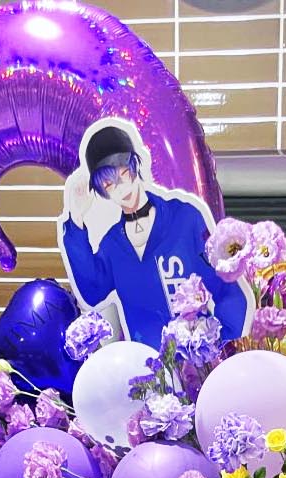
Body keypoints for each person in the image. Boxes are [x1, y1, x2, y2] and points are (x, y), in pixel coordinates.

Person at [60, 120, 251, 349]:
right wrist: (76, 218)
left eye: (124, 174)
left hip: (197, 362)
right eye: (109, 185)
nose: (121, 189)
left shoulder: (185, 218)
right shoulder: (112, 243)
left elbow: (225, 288)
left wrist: (222, 346)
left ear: (135, 165)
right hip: (145, 365)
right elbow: (92, 291)